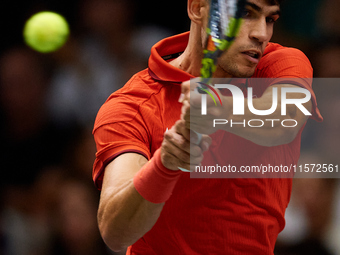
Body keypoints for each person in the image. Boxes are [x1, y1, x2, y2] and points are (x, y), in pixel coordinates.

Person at [92, 0, 323, 254]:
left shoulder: (280, 63)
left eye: (270, 19)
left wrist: (214, 108)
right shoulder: (132, 104)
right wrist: (166, 163)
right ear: (198, 9)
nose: (261, 33)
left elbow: (284, 119)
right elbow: (115, 232)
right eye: (246, 13)